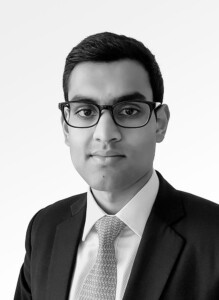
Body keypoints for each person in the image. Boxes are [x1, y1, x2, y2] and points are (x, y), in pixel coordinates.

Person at [14, 32, 219, 300]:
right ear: (65, 127)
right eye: (85, 111)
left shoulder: (214, 237)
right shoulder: (44, 228)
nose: (105, 133)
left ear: (160, 123)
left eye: (129, 111)